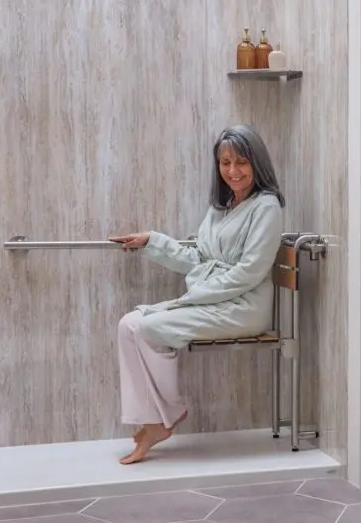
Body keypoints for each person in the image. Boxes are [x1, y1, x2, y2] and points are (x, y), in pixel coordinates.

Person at [108, 124, 285, 465]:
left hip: (243, 306)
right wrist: (153, 241)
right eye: (225, 163)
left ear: (257, 163)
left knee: (147, 327)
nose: (233, 171)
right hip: (216, 299)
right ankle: (157, 418)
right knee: (128, 324)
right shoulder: (223, 206)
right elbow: (199, 258)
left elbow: (249, 272)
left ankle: (162, 419)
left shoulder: (267, 207)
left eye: (242, 162)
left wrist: (192, 296)